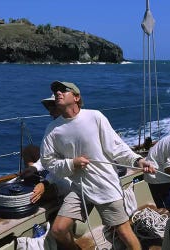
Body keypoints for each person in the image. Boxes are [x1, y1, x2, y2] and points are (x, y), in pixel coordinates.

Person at [40, 80, 155, 250]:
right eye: (56, 90)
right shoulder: (53, 129)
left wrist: (138, 160)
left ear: (77, 97)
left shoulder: (95, 117)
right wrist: (72, 163)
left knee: (124, 232)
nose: (58, 92)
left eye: (63, 90)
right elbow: (47, 161)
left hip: (104, 185)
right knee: (58, 230)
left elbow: (116, 147)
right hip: (80, 188)